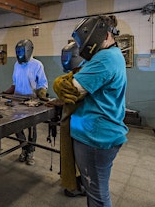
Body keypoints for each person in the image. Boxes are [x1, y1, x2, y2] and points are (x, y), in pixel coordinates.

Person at [53, 15, 128, 206]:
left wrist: (58, 83)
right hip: (98, 132)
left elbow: (72, 88)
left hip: (96, 136)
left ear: (105, 35)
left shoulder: (105, 58)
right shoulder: (110, 54)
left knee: (97, 193)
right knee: (94, 188)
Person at [3, 39, 49, 166]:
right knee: (18, 127)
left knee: (31, 129)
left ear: (28, 51)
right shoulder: (16, 65)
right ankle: (24, 148)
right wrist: (6, 92)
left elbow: (42, 84)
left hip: (31, 102)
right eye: (17, 52)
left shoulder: (37, 65)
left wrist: (42, 95)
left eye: (21, 51)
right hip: (17, 102)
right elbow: (14, 83)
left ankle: (31, 152)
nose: (19, 54)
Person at [58, 41, 86, 197]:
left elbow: (75, 94)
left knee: (79, 158)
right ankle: (73, 183)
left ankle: (78, 185)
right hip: (73, 122)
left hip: (80, 123)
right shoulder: (76, 72)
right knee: (72, 156)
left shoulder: (85, 73)